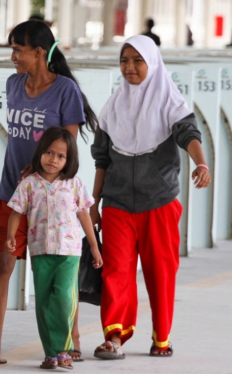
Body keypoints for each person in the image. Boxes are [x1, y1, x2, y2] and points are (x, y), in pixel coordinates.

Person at [0, 19, 98, 365]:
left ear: (38, 52)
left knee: (58, 277)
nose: (12, 56)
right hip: (12, 192)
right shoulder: (13, 84)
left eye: (17, 49)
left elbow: (66, 147)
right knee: (2, 263)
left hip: (52, 201)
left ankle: (72, 339)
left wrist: (41, 166)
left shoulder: (65, 90)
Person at [91, 35, 210, 360]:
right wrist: (94, 202)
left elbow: (189, 135)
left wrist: (200, 162)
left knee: (160, 272)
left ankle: (161, 337)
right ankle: (113, 337)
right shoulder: (112, 106)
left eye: (137, 61)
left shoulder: (170, 102)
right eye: (124, 61)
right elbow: (102, 159)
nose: (129, 67)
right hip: (117, 204)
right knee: (115, 271)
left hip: (159, 203)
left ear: (152, 63)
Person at [6, 127, 102, 369]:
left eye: (61, 156)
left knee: (64, 300)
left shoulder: (74, 184)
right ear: (40, 152)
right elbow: (16, 211)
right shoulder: (28, 184)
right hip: (40, 252)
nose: (54, 159)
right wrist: (10, 237)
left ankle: (64, 348)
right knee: (44, 302)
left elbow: (84, 214)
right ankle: (51, 353)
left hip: (69, 252)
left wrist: (94, 245)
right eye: (49, 152)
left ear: (69, 160)